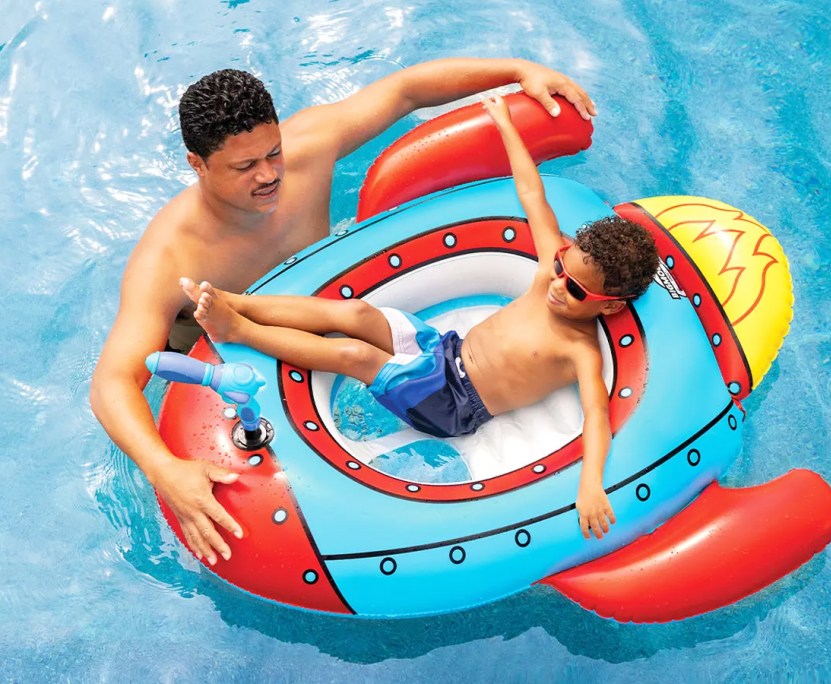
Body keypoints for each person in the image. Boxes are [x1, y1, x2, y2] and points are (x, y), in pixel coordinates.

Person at [91, 59, 598, 568]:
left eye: (273, 153)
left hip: (323, 312)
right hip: (215, 346)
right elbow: (112, 382)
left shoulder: (311, 145)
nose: (269, 176)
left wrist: (518, 71)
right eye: (245, 168)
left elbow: (405, 91)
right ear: (197, 165)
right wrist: (164, 469)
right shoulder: (168, 258)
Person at [177, 94, 658, 547]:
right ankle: (235, 302)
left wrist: (592, 484)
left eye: (574, 290)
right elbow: (532, 193)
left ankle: (238, 329)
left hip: (452, 404)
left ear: (610, 305)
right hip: (441, 350)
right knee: (357, 313)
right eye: (560, 268)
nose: (556, 285)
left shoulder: (579, 349)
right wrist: (508, 126)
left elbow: (597, 416)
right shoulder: (551, 272)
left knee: (356, 354)